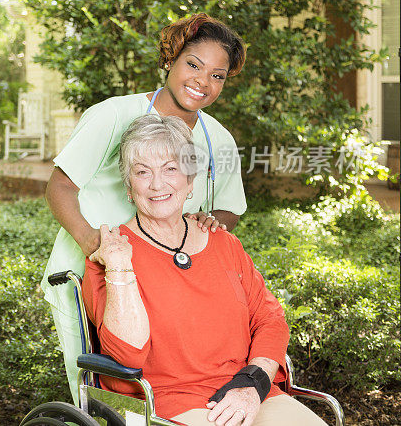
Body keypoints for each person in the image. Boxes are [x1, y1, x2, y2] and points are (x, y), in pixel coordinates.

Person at [43, 13, 248, 402]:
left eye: (217, 76)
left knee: (164, 391)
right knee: (105, 393)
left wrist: (208, 222)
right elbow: (60, 187)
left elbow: (228, 208)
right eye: (193, 65)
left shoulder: (217, 140)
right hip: (91, 277)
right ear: (170, 60)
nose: (203, 82)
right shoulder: (113, 116)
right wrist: (93, 244)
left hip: (166, 286)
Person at [81, 114, 325, 426]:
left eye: (171, 169)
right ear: (129, 187)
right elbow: (127, 356)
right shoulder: (111, 255)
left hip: (246, 391)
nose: (157, 184)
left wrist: (254, 382)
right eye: (142, 172)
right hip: (166, 401)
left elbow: (270, 320)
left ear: (190, 180)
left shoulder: (223, 243)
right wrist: (119, 267)